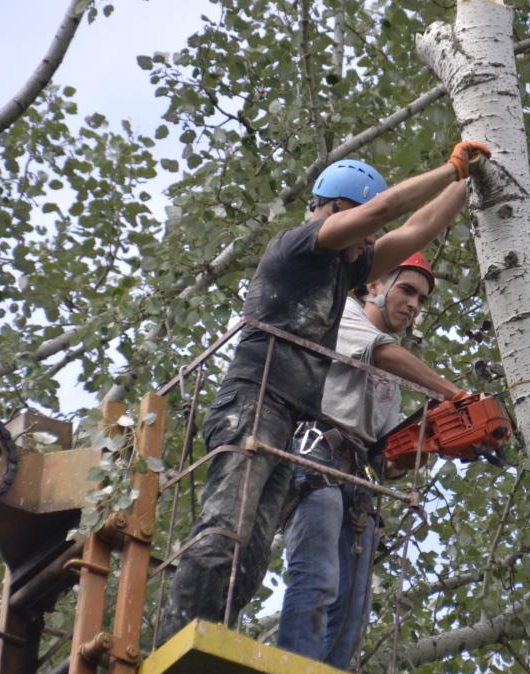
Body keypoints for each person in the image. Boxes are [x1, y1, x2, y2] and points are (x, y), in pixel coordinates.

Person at [155, 142, 490, 644]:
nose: (369, 242)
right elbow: (387, 210)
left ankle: (213, 640)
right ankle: (179, 642)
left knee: (247, 556)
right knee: (226, 533)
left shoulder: (343, 268)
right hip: (252, 400)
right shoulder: (299, 245)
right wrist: (450, 167)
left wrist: (467, 184)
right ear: (335, 209)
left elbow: (415, 230)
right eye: (363, 229)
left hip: (286, 418)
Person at [276, 252, 466, 670]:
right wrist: (455, 396)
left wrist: (428, 443)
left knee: (351, 607)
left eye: (423, 300)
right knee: (318, 578)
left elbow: (385, 456)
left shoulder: (392, 376)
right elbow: (383, 355)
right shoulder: (342, 315)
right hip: (317, 454)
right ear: (375, 285)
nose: (415, 304)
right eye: (408, 290)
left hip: (357, 477)